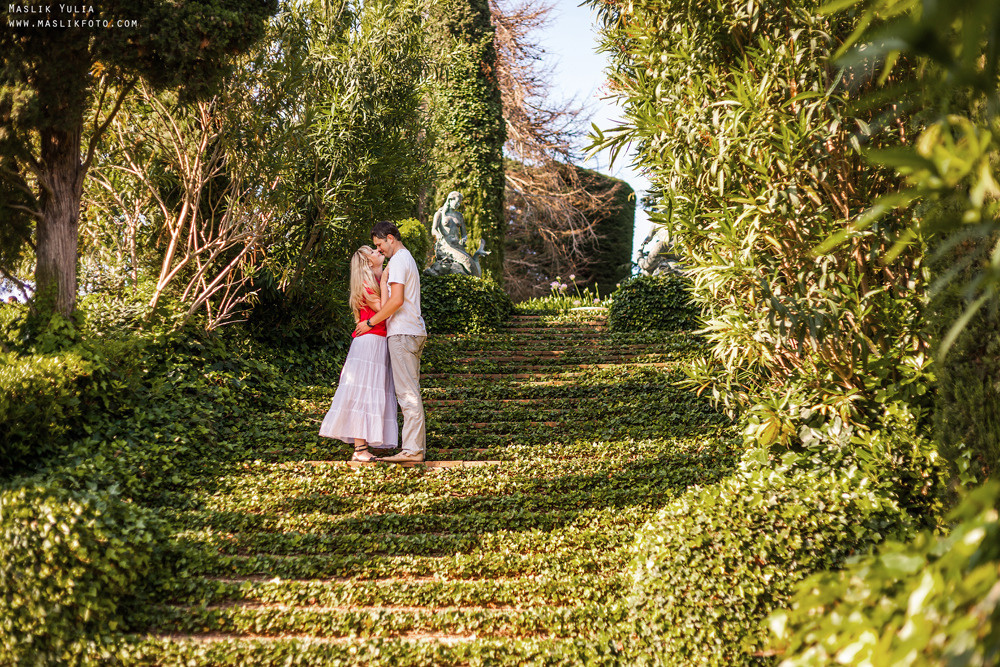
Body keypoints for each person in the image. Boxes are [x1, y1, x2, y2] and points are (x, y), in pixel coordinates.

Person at [355, 220, 427, 463]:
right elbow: (392, 301)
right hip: (410, 331)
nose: (379, 250)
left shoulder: (398, 260)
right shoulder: (404, 260)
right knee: (409, 392)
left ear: (390, 238)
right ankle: (412, 448)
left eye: (379, 244)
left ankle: (413, 450)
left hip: (403, 333)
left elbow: (395, 302)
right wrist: (384, 275)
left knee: (407, 394)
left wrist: (371, 323)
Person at [319, 246, 398, 461]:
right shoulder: (367, 284)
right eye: (372, 251)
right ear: (367, 262)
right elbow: (384, 308)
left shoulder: (378, 278)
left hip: (377, 341)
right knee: (363, 392)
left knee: (374, 391)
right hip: (369, 344)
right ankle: (360, 449)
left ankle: (365, 445)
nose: (377, 250)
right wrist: (385, 279)